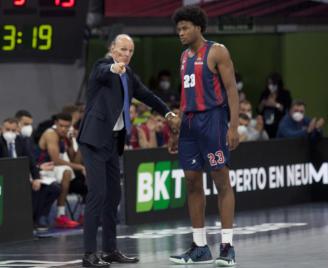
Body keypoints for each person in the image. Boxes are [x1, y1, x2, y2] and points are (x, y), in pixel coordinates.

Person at [77, 34, 178, 268]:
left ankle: (110, 250)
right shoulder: (101, 66)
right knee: (98, 195)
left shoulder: (129, 75)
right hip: (94, 140)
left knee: (114, 196)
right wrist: (114, 67)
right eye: (123, 49)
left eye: (130, 50)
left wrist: (168, 113)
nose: (127, 54)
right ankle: (89, 254)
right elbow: (103, 71)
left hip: (113, 142)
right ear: (112, 49)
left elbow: (146, 95)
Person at [169, 6, 239, 267]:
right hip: (188, 123)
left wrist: (233, 127)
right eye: (178, 29)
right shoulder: (183, 56)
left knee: (221, 179)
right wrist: (176, 131)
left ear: (198, 27)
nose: (181, 33)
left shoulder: (217, 51)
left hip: (213, 120)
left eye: (185, 28)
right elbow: (185, 96)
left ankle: (227, 246)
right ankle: (200, 246)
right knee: (191, 182)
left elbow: (232, 91)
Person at [0, 118, 60, 232]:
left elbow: (31, 162)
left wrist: (36, 178)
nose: (10, 133)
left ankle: (39, 218)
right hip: (4, 181)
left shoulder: (21, 141)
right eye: (7, 129)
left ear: (17, 130)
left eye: (13, 130)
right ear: (2, 129)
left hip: (22, 178)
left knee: (53, 188)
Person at [36, 113, 87, 228]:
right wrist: (81, 168)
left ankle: (84, 214)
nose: (64, 129)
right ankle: (60, 215)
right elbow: (56, 160)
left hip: (55, 170)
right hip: (42, 169)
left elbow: (76, 160)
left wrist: (75, 141)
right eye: (61, 126)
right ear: (56, 124)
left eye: (67, 126)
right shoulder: (51, 134)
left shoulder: (65, 137)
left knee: (87, 179)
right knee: (67, 171)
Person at [258, 72, 292, 138]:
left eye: (273, 84)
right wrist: (263, 103)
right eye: (269, 83)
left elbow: (287, 109)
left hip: (279, 122)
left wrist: (275, 104)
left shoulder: (285, 94)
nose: (270, 86)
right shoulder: (265, 93)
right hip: (266, 123)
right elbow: (259, 110)